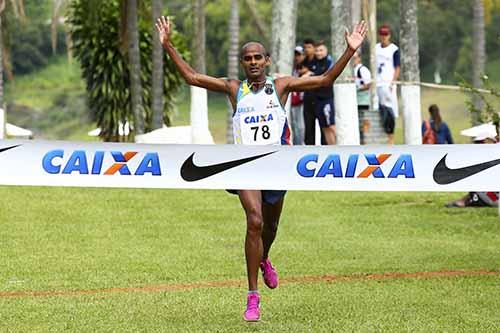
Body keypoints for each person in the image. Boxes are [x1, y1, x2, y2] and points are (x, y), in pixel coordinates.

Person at [156, 16, 367, 322]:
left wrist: (349, 51)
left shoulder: (281, 85)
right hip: (244, 167)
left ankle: (265, 258)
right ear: (242, 63)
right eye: (247, 58)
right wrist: (168, 45)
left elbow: (323, 82)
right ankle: (252, 297)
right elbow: (192, 77)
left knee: (270, 228)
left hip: (276, 166)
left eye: (258, 57)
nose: (253, 62)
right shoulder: (233, 89)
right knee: (253, 221)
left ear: (267, 61)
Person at [446, 124, 498, 208]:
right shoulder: (487, 156)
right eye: (476, 143)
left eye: (480, 142)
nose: (477, 145)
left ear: (490, 141)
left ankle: (465, 201)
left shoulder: (494, 156)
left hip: (495, 198)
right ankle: (466, 200)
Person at [376, 24, 400, 144]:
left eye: (386, 35)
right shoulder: (375, 48)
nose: (384, 37)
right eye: (382, 34)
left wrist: (393, 82)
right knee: (379, 109)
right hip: (377, 83)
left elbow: (397, 67)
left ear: (389, 35)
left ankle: (391, 137)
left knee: (390, 110)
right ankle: (381, 135)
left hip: (388, 83)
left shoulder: (394, 49)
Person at [312, 41, 336, 145]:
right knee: (324, 126)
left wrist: (311, 75)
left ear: (326, 51)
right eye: (316, 50)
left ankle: (342, 147)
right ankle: (332, 148)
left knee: (331, 125)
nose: (318, 53)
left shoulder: (329, 62)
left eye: (321, 50)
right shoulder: (314, 63)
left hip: (327, 98)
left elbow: (324, 75)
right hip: (317, 99)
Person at [300, 38, 318, 145]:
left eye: (309, 47)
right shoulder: (303, 62)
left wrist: (309, 73)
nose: (307, 49)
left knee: (322, 125)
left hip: (319, 97)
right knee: (308, 125)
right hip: (307, 97)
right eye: (305, 47)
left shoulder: (319, 60)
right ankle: (309, 147)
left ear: (314, 48)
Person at [352, 51, 371, 144]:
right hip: (355, 102)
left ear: (359, 58)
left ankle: (365, 141)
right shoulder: (353, 70)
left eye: (355, 58)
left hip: (363, 101)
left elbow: (368, 85)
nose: (353, 60)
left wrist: (356, 89)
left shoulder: (362, 70)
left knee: (363, 122)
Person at [290, 46, 305, 145]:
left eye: (299, 55)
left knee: (301, 126)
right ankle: (297, 145)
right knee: (294, 125)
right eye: (295, 55)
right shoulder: (292, 69)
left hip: (303, 102)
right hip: (293, 101)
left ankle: (302, 145)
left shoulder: (306, 68)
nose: (296, 57)